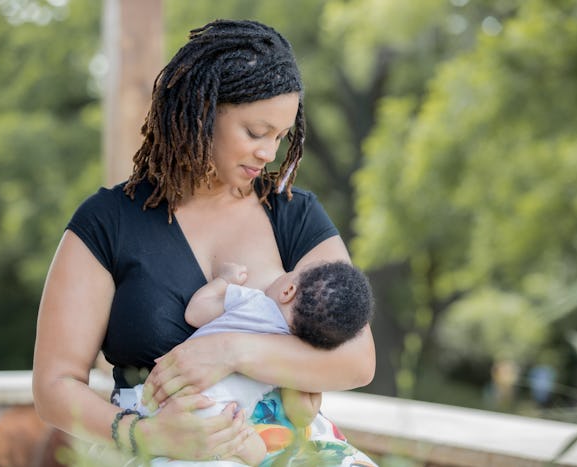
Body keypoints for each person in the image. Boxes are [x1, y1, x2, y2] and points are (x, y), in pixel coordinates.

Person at [32, 18, 377, 465]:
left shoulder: (293, 213)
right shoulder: (106, 223)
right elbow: (54, 385)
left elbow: (357, 359)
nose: (269, 153)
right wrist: (146, 436)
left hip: (288, 451)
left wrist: (228, 350)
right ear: (203, 110)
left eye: (280, 136)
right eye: (255, 132)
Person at [116, 260, 374, 465]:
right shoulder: (292, 356)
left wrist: (223, 281)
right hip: (221, 416)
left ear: (287, 290)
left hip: (166, 390)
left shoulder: (252, 300)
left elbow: (196, 312)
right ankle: (241, 449)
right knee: (257, 450)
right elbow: (301, 412)